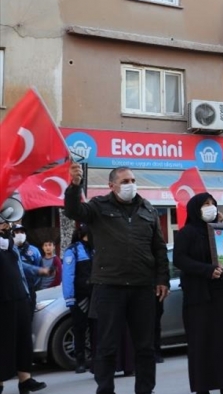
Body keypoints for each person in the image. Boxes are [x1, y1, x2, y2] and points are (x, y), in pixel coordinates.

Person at [64, 163, 170, 394]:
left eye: (132, 181)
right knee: (107, 347)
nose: (130, 185)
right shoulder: (98, 207)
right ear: (111, 185)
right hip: (109, 286)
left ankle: (145, 390)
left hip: (143, 288)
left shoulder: (148, 209)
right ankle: (105, 389)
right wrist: (74, 186)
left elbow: (159, 248)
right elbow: (73, 211)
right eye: (124, 182)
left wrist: (162, 279)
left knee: (145, 347)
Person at [173, 193, 223, 394]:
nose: (211, 207)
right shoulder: (187, 234)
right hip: (201, 298)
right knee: (203, 343)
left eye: (213, 204)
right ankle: (203, 387)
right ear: (195, 209)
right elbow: (180, 259)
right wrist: (206, 270)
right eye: (205, 204)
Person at [0, 223, 48, 394]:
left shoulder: (10, 245)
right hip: (3, 301)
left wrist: (38, 271)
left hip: (20, 296)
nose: (6, 225)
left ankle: (25, 379)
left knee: (23, 340)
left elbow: (21, 267)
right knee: (4, 342)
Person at [62, 224, 95, 374]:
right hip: (79, 298)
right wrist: (70, 299)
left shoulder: (94, 249)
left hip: (95, 296)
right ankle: (80, 361)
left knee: (96, 328)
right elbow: (68, 276)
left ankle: (95, 360)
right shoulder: (73, 251)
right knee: (79, 329)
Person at [11, 224, 46, 311]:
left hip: (30, 291)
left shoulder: (34, 251)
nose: (20, 234)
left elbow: (39, 269)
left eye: (22, 232)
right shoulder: (7, 250)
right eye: (17, 232)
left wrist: (33, 287)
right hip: (12, 292)